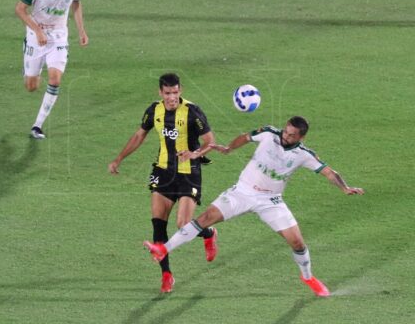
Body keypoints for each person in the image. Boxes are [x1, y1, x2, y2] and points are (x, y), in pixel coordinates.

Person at [144, 116, 364, 297]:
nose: (286, 136)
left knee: (297, 242)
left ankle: (308, 277)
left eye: (292, 135)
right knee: (205, 218)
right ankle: (163, 249)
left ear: (301, 137)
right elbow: (246, 137)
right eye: (286, 131)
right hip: (242, 191)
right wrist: (229, 148)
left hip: (271, 201)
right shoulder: (269, 133)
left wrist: (344, 188)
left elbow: (329, 172)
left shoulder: (304, 155)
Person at [109, 73, 218, 293]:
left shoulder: (192, 112)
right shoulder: (154, 111)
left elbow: (210, 142)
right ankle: (166, 275)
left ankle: (209, 234)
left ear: (181, 90)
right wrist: (119, 158)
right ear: (160, 93)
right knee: (158, 224)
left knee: (183, 225)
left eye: (175, 92)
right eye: (167, 93)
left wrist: (196, 153)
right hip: (163, 171)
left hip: (188, 173)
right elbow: (139, 136)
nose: (171, 97)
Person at [15, 0, 89, 139]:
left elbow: (76, 3)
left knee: (55, 79)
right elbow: (20, 9)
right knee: (31, 86)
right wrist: (37, 30)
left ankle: (37, 126)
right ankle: (30, 66)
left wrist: (81, 30)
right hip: (35, 36)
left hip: (58, 37)